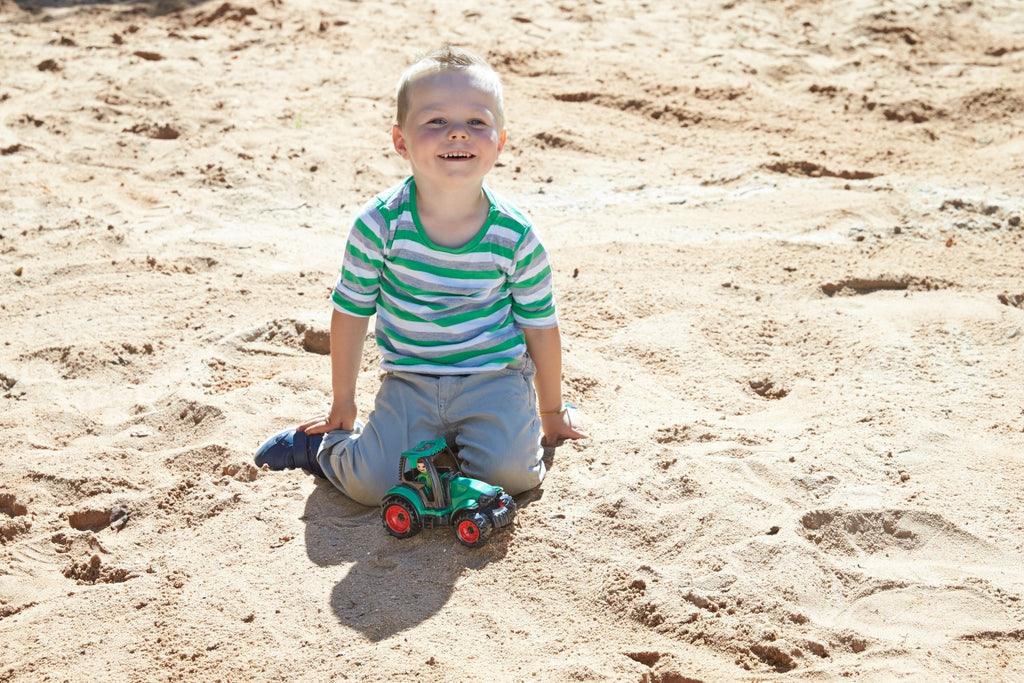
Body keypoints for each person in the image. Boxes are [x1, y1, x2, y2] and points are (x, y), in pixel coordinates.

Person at [254, 45, 588, 506]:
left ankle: (481, 438)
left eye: (476, 122)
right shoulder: (379, 224)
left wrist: (551, 410)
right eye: (436, 121)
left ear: (501, 140)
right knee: (373, 486)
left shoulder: (515, 234)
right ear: (401, 141)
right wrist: (343, 405)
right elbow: (351, 312)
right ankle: (319, 451)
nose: (457, 134)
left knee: (513, 478)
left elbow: (540, 325)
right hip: (410, 378)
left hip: (494, 377)